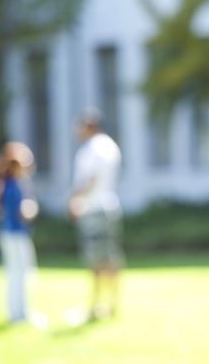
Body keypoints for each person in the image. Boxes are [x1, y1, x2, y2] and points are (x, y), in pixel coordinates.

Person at [68, 108, 123, 320]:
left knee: (96, 260)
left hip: (93, 209)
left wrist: (73, 199)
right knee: (111, 257)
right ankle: (112, 305)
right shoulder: (110, 146)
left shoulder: (92, 148)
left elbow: (89, 180)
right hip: (109, 206)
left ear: (89, 125)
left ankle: (95, 306)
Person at [0, 141, 39, 324]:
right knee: (17, 273)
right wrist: (29, 210)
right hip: (13, 234)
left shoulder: (9, 183)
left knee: (18, 272)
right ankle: (18, 313)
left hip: (13, 233)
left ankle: (19, 312)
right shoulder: (9, 184)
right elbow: (17, 211)